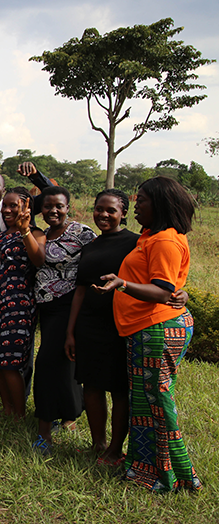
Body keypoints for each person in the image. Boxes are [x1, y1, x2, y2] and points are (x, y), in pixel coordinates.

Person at [65, 189, 189, 465]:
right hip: (91, 324)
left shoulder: (137, 242)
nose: (104, 215)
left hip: (125, 325)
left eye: (111, 210)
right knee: (92, 385)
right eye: (99, 209)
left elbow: (164, 279)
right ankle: (98, 444)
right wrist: (71, 331)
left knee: (121, 389)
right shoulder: (91, 245)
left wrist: (182, 293)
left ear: (123, 213)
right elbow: (81, 290)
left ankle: (116, 449)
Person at [92, 176, 200, 493]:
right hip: (145, 328)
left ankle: (175, 475)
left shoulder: (165, 240)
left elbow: (162, 290)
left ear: (160, 204)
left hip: (158, 328)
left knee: (157, 402)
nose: (135, 206)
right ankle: (144, 469)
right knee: (145, 402)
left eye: (142, 201)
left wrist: (122, 284)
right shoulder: (151, 236)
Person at [31, 186, 95, 452]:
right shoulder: (43, 234)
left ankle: (44, 430)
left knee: (46, 363)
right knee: (64, 363)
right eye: (47, 207)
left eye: (59, 206)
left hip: (70, 305)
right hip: (45, 308)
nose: (53, 211)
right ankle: (69, 416)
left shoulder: (82, 234)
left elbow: (97, 264)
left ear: (68, 207)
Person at [0, 187, 46, 421]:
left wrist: (24, 231)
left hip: (18, 304)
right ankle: (7, 408)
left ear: (27, 208)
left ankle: (19, 413)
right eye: (5, 206)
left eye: (13, 206)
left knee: (10, 362)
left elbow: (38, 260)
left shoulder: (36, 234)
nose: (7, 210)